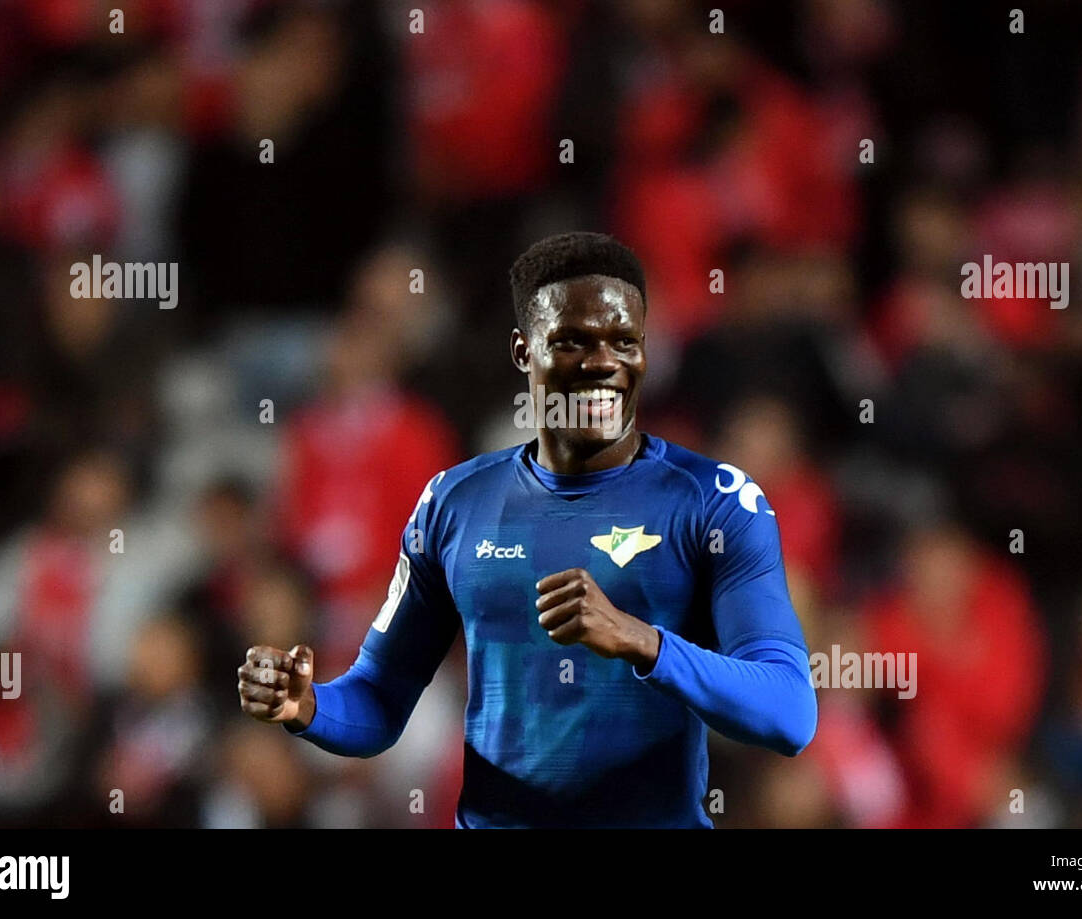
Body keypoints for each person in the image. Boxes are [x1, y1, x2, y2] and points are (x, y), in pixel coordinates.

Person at [237, 231, 818, 827]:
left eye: (624, 341)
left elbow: (789, 711)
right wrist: (307, 705)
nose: (603, 364)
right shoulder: (454, 503)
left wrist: (642, 642)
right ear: (523, 351)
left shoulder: (715, 503)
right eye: (572, 342)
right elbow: (379, 701)